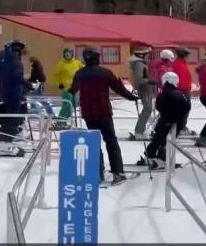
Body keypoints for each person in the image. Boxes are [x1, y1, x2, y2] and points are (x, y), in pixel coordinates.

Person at [70, 47, 139, 186]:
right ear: (97, 57)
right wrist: (131, 97)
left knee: (95, 142)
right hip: (104, 112)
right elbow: (118, 88)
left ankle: (97, 173)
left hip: (88, 113)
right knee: (111, 141)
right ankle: (118, 172)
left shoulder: (80, 74)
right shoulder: (105, 73)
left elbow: (72, 89)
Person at [138, 72, 191, 169]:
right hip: (177, 121)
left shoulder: (163, 94)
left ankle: (149, 155)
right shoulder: (181, 94)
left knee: (158, 138)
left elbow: (159, 106)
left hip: (164, 120)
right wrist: (180, 117)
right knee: (167, 141)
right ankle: (161, 159)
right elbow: (187, 106)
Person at [0, 40, 29, 157]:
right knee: (13, 120)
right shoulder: (15, 62)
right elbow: (17, 77)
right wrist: (29, 85)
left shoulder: (4, 61)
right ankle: (5, 145)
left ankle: (3, 142)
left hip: (7, 94)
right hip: (14, 95)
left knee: (9, 119)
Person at [51, 47, 83, 128]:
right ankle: (60, 122)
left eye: (69, 53)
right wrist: (59, 84)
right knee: (67, 106)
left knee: (74, 106)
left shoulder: (77, 63)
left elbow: (84, 71)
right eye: (66, 53)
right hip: (66, 89)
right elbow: (55, 75)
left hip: (76, 88)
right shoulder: (61, 64)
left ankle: (64, 121)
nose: (67, 54)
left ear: (72, 54)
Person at [130, 48, 156, 140]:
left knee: (148, 109)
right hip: (145, 89)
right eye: (146, 55)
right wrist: (152, 81)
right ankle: (139, 132)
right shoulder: (139, 64)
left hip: (146, 89)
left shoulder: (140, 63)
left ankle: (140, 131)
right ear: (141, 55)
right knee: (148, 109)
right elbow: (139, 79)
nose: (147, 56)